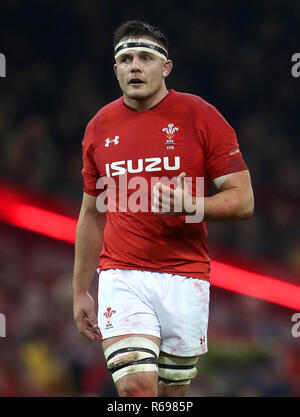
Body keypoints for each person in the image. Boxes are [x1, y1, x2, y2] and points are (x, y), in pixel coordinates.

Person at [72, 20, 254, 397]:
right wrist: (80, 291)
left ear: (166, 67)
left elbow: (243, 200)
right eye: (126, 59)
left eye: (145, 58)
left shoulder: (201, 116)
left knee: (173, 396)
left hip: (185, 276)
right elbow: (92, 213)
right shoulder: (99, 128)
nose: (135, 66)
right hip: (122, 276)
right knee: (136, 388)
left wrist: (191, 205)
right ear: (116, 70)